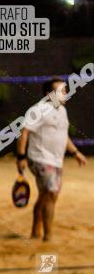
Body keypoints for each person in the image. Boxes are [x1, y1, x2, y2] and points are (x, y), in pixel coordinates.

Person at [17, 78, 87, 241]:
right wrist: (20, 157)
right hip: (40, 159)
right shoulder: (39, 110)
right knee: (52, 192)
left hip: (56, 160)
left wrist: (75, 152)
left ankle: (36, 231)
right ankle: (48, 236)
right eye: (61, 91)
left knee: (48, 196)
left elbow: (64, 135)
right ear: (49, 94)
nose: (65, 94)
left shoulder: (62, 111)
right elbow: (24, 132)